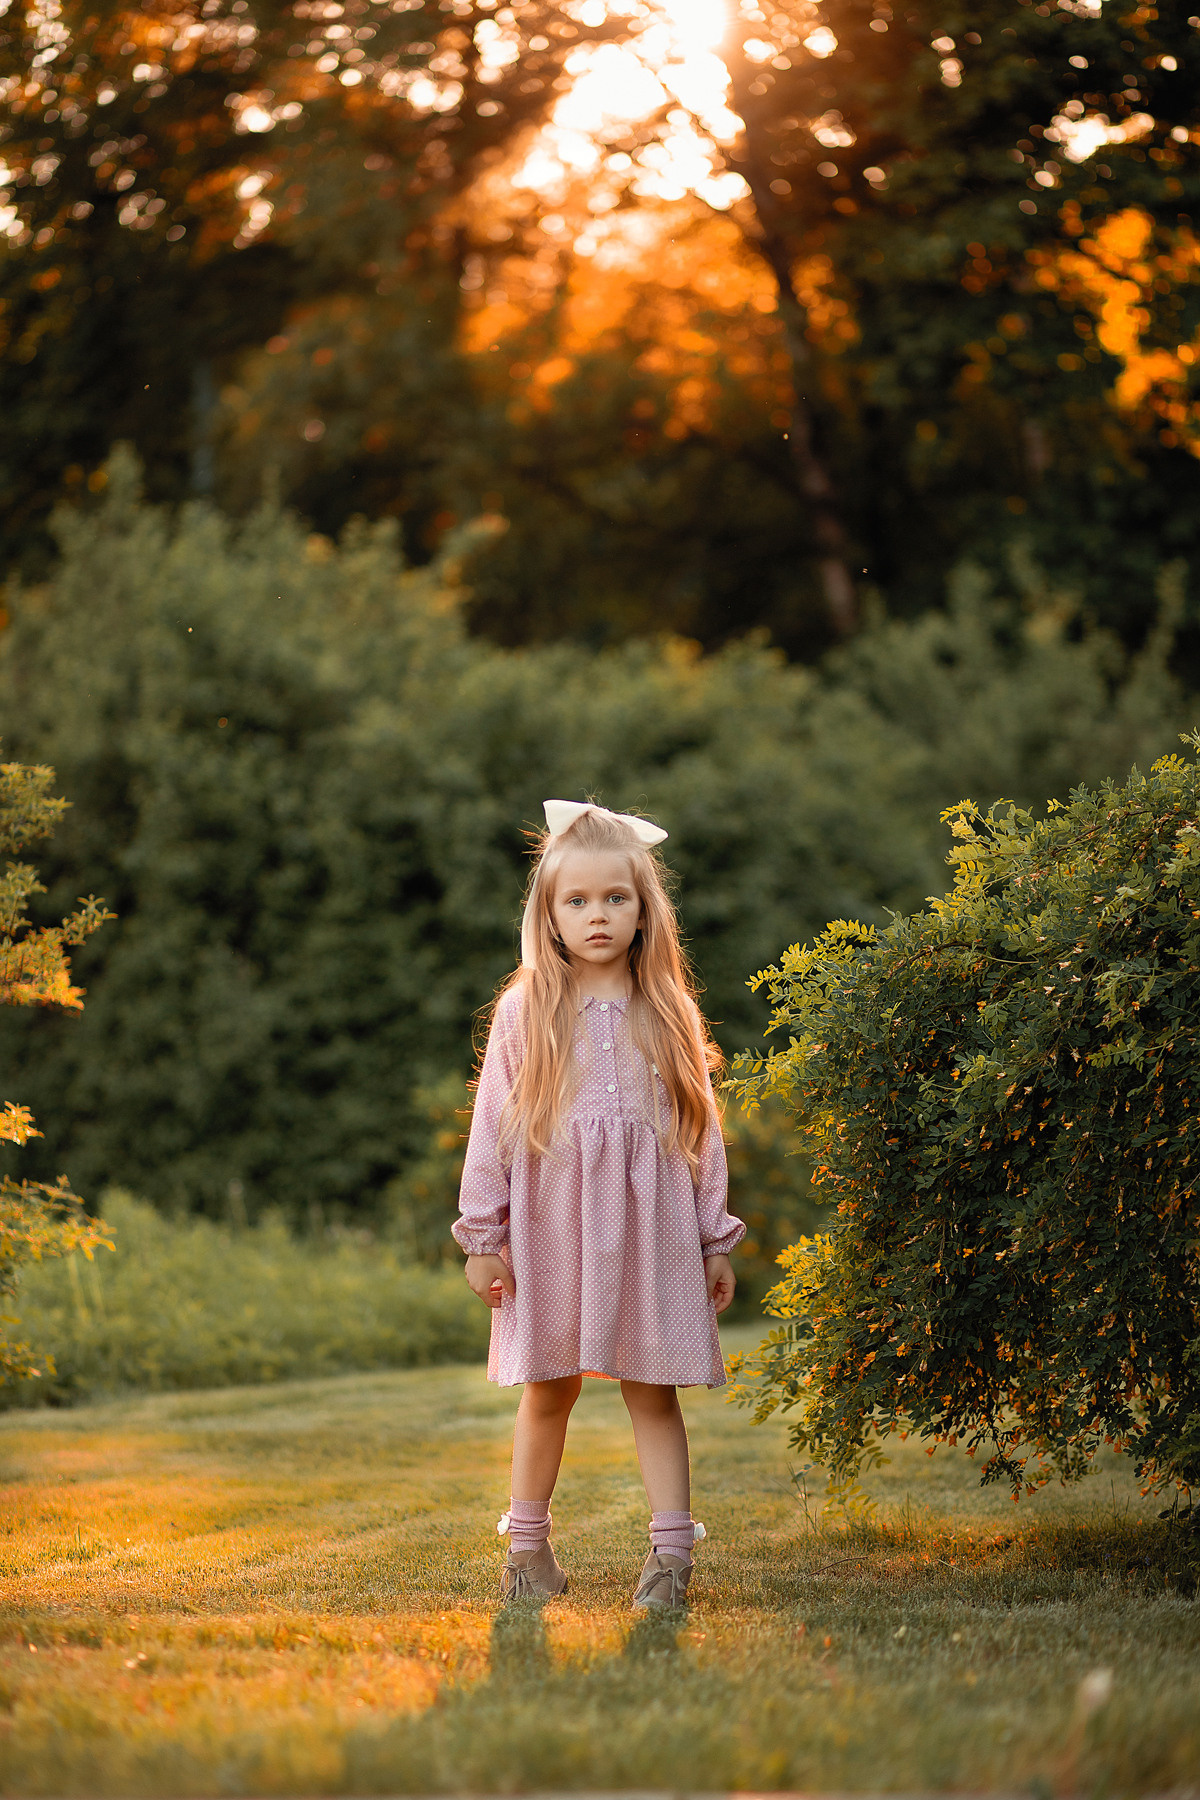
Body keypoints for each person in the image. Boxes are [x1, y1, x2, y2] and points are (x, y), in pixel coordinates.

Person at [452, 798, 745, 1610]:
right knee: (551, 1387)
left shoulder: (668, 1011)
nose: (597, 916)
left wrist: (714, 1237)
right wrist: (484, 1235)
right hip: (552, 1225)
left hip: (650, 1230)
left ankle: (671, 1560)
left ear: (645, 908)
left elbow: (700, 1130)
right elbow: (494, 1129)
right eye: (575, 901)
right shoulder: (527, 1010)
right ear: (547, 915)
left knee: (652, 1390)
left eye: (615, 898)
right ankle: (527, 1555)